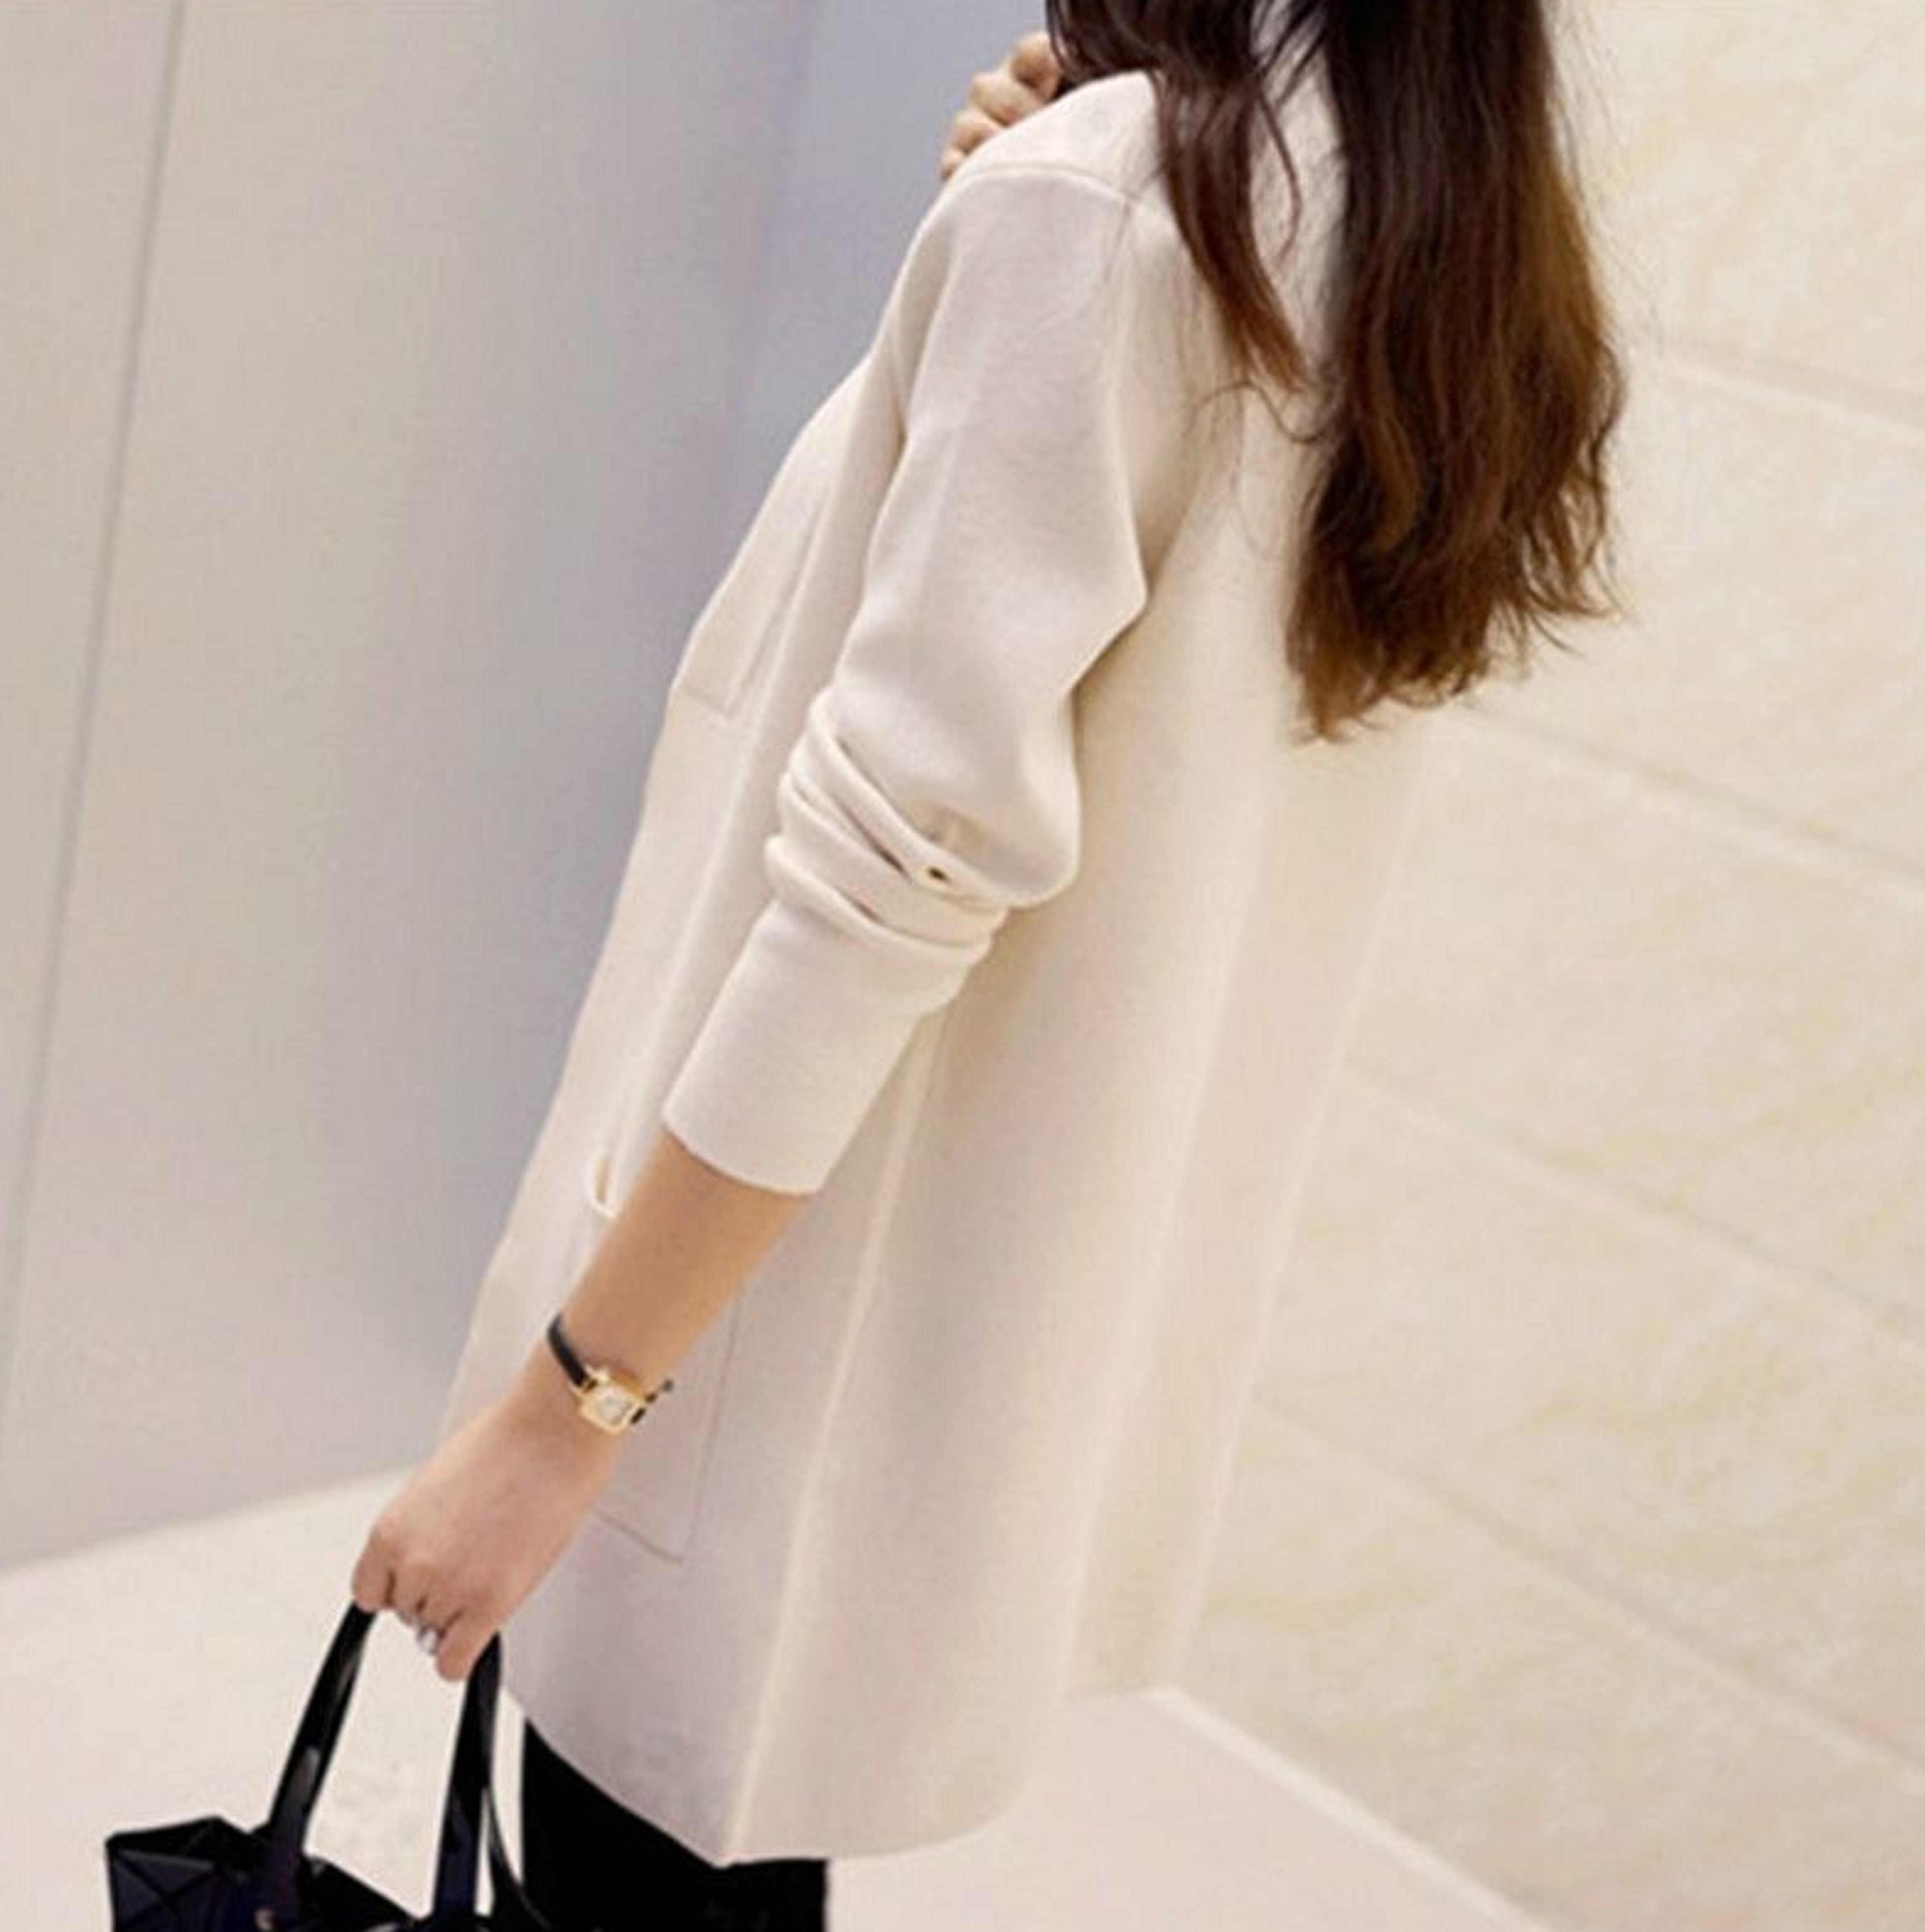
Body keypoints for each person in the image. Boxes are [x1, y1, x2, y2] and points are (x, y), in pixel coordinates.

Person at [350, 4, 1626, 1926]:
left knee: (645, 1843)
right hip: (960, 1308)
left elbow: (888, 877)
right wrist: (1008, 240)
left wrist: (563, 1411)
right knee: (721, 1845)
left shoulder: (1117, 204)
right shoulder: (1415, 216)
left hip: (753, 1298)